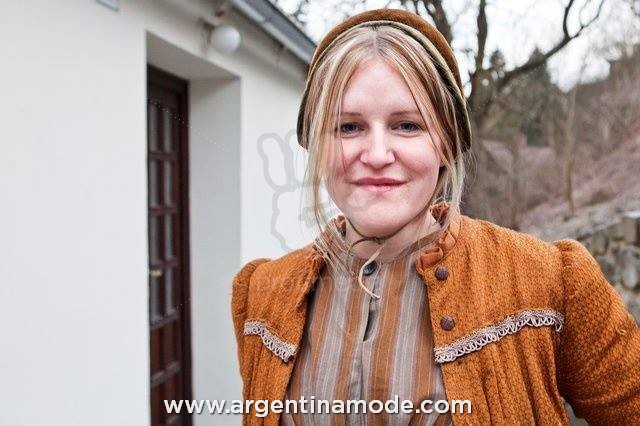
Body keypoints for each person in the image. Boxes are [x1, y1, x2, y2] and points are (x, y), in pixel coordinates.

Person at [231, 8, 640, 425]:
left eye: (407, 125)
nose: (376, 155)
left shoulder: (550, 282)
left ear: (445, 143)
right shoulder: (263, 296)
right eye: (348, 127)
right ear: (316, 145)